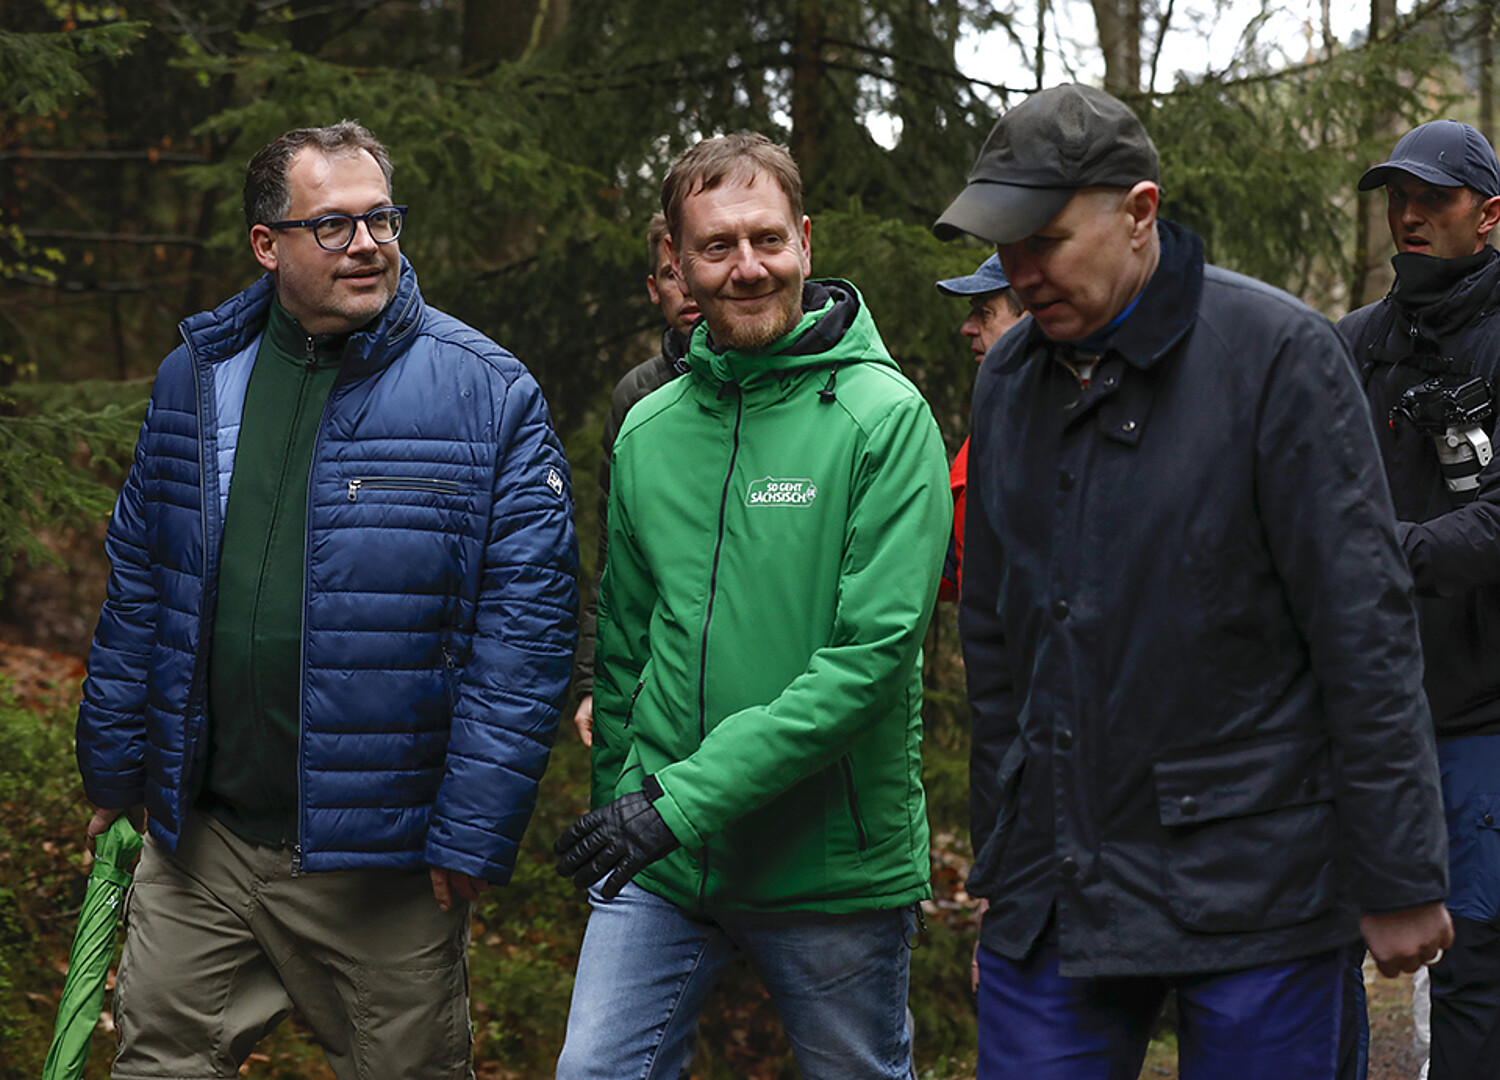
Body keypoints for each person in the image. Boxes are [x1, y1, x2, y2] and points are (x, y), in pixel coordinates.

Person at [933, 83, 1452, 1079]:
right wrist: (1001, 863)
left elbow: (1363, 627)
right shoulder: (1007, 381)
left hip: (1256, 882)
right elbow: (996, 642)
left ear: (1140, 213)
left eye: (1044, 239)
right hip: (1057, 880)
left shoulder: (1276, 356)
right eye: (1005, 244)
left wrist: (1398, 871)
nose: (1020, 271)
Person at [73, 121, 578, 1079]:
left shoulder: (486, 393)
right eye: (334, 225)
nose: (369, 244)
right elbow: (143, 584)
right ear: (268, 245)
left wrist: (474, 828)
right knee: (157, 1064)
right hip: (205, 844)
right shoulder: (197, 377)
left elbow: (527, 630)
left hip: (381, 865)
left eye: (382, 219)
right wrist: (115, 770)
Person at [552, 132, 950, 1080]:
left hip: (827, 866)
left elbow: (867, 665)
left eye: (766, 239)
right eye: (717, 246)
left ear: (804, 241)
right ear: (677, 263)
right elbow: (624, 650)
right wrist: (620, 817)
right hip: (663, 864)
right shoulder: (649, 429)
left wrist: (673, 805)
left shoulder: (883, 419)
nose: (747, 267)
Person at [1339, 119, 1500, 1080]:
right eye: (1398, 196)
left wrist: (1355, 554)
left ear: (1489, 213)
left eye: (1433, 198)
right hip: (1365, 703)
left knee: (1469, 961)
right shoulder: (1353, 344)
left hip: (1494, 706)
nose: (1409, 214)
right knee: (1317, 949)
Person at [569, 211, 697, 760]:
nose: (686, 287)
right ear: (653, 288)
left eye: (693, 267)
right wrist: (591, 680)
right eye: (671, 275)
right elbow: (614, 555)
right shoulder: (637, 397)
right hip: (656, 669)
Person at [933, 253, 1025, 602]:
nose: (968, 328)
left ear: (1032, 319)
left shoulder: (1066, 429)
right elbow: (956, 569)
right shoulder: (989, 428)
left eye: (985, 313)